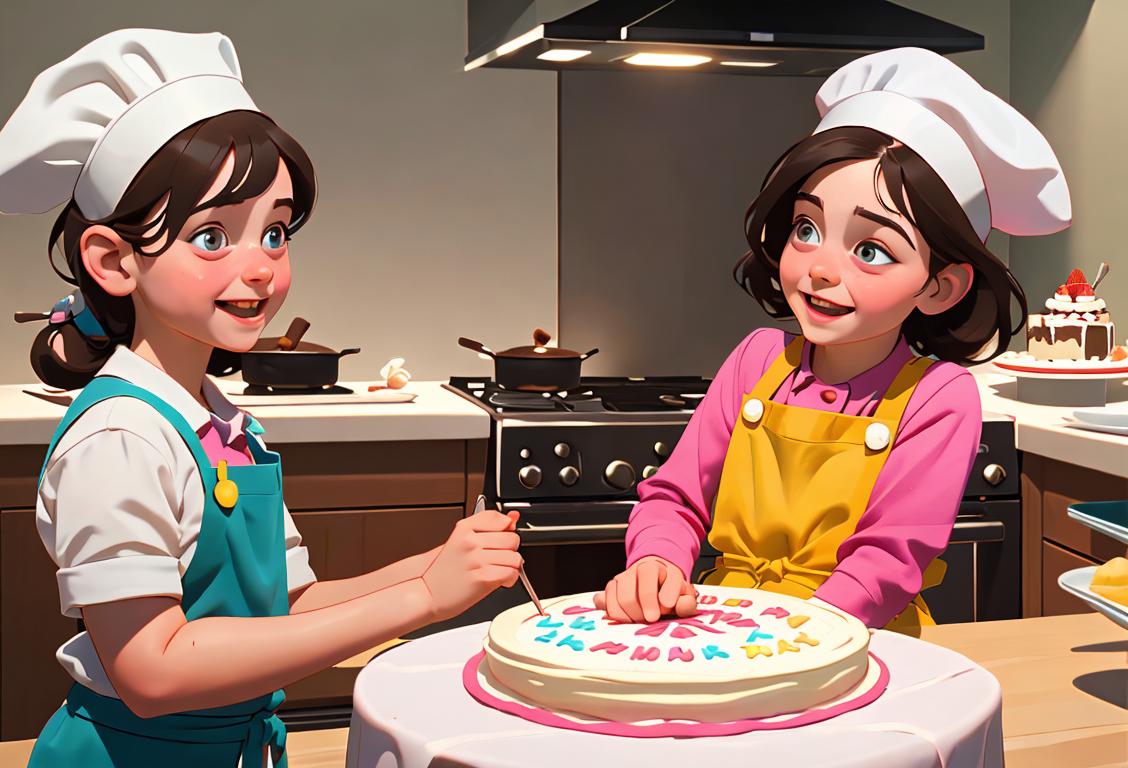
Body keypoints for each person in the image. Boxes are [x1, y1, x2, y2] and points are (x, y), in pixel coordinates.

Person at [0, 29, 522, 768]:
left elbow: (294, 608)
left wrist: (438, 564)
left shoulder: (223, 424)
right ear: (114, 261)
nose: (260, 269)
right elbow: (154, 668)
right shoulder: (119, 437)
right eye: (212, 237)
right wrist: (421, 598)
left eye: (274, 232)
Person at [595, 47, 1070, 636]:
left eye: (870, 250)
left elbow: (888, 561)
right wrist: (656, 559)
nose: (821, 268)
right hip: (726, 628)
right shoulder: (755, 361)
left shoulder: (939, 397)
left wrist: (803, 637)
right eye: (807, 229)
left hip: (855, 642)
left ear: (940, 287)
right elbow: (675, 497)